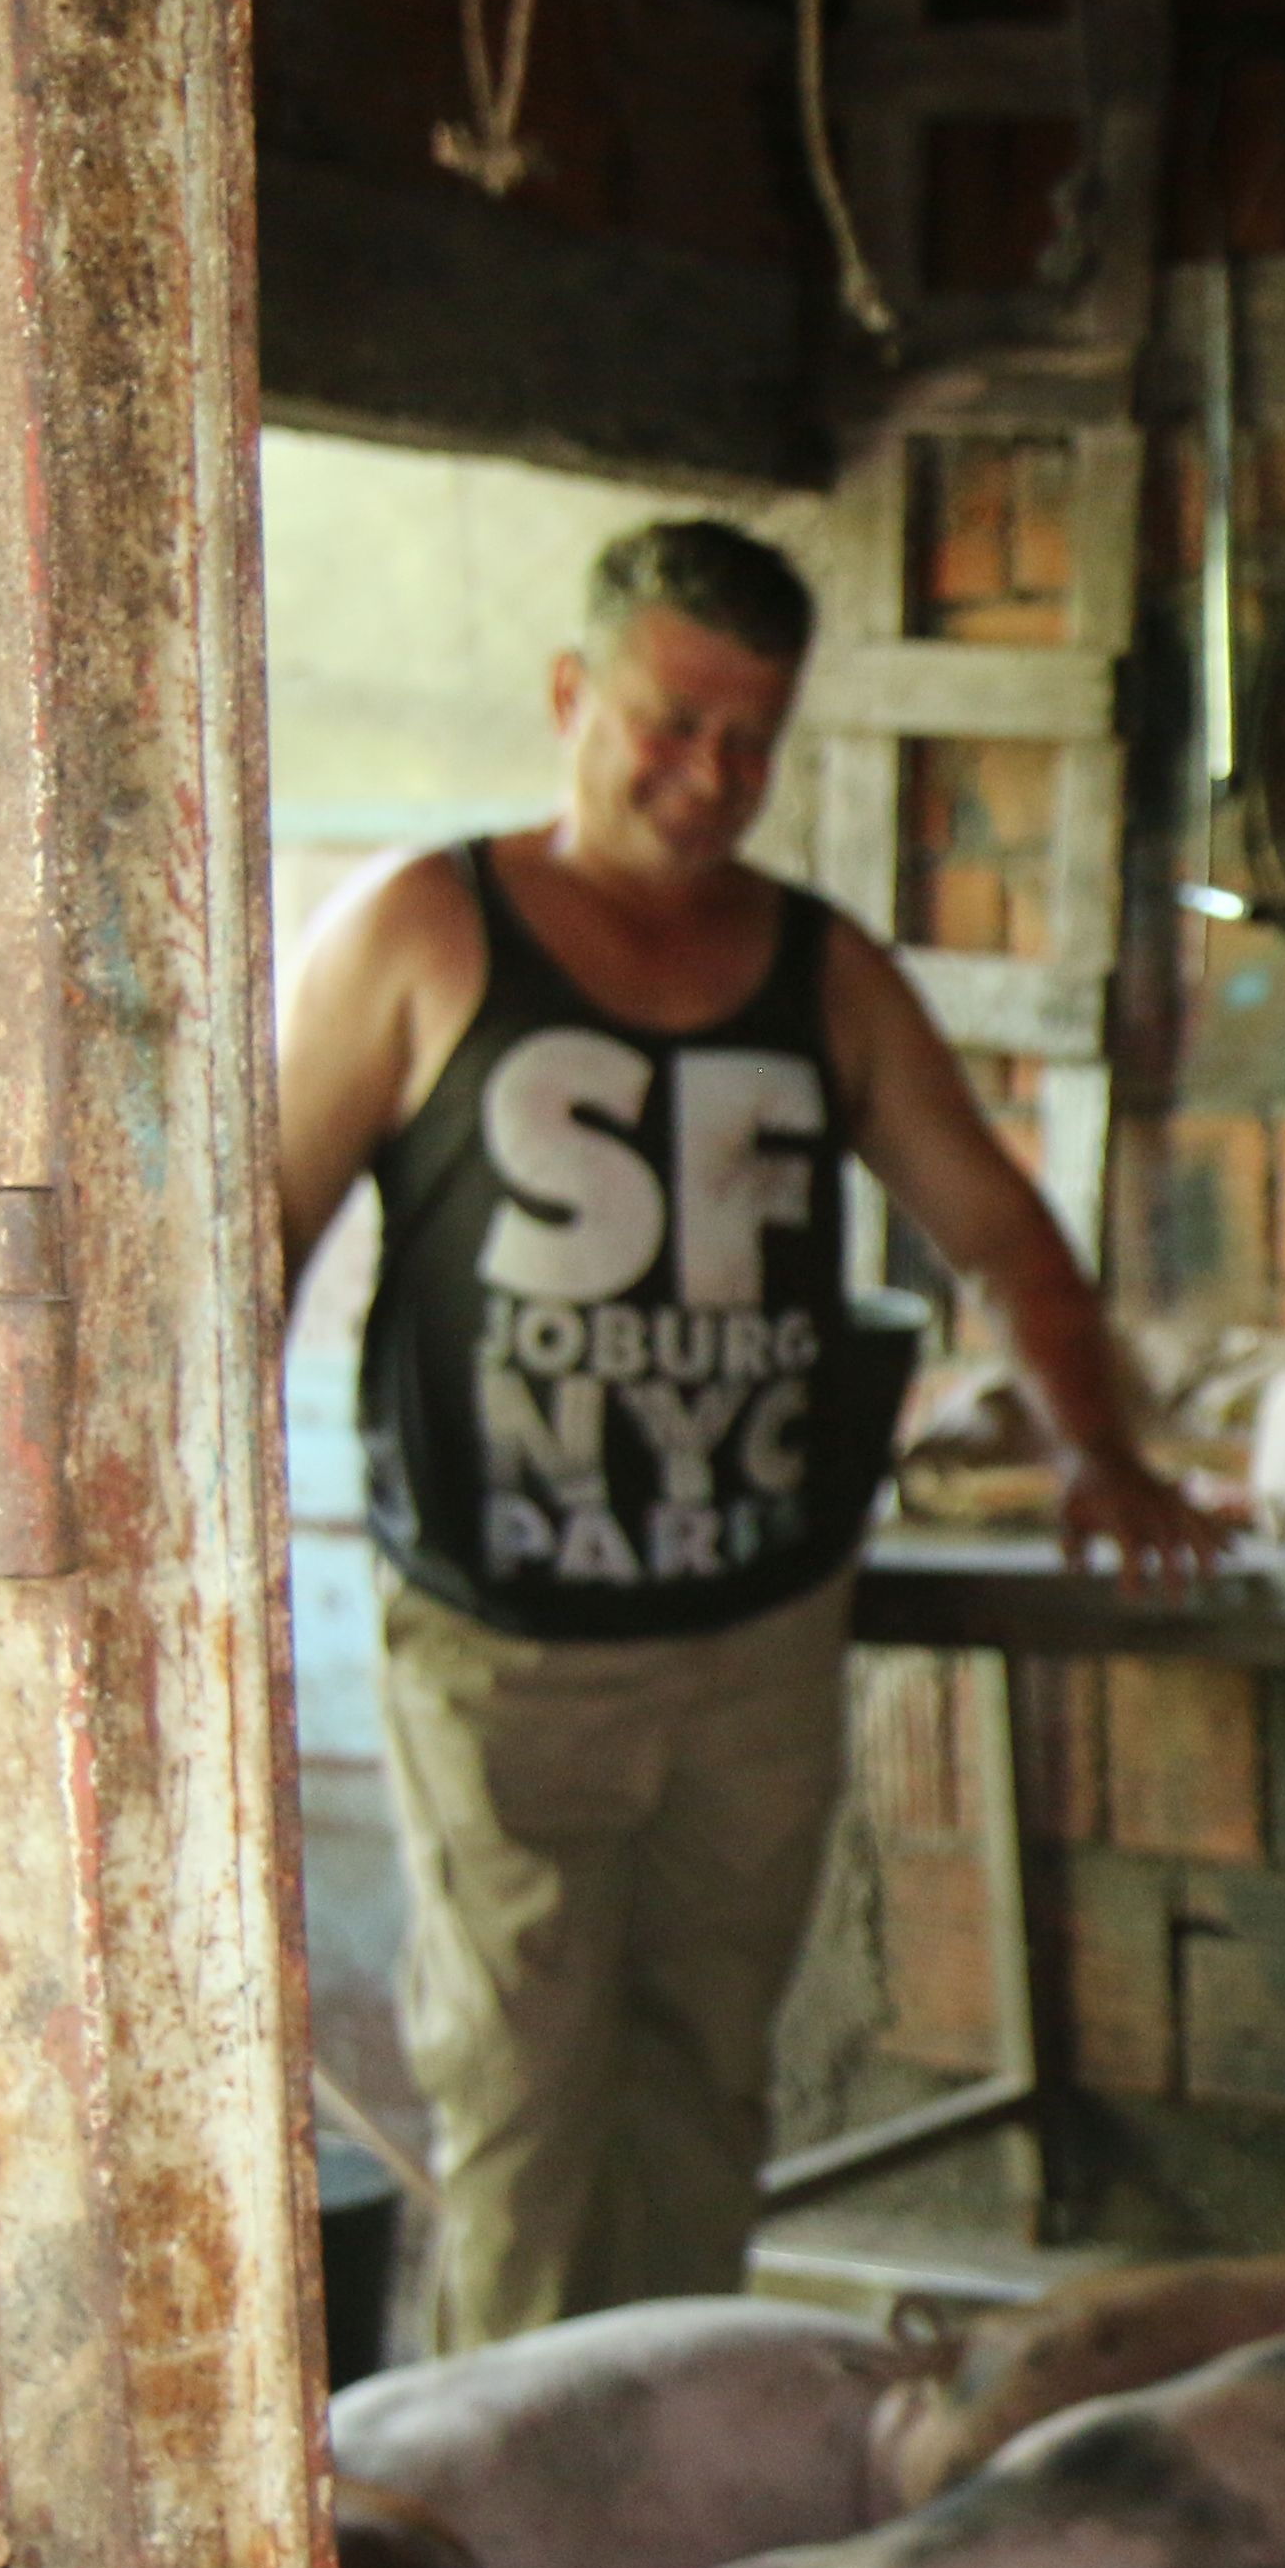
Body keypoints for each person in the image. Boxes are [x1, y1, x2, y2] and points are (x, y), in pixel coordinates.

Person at [276, 518, 1221, 2355]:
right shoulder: (421, 925)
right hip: (509, 1642)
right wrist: (189, 1556)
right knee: (523, 2112)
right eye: (669, 720)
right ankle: (483, 2547)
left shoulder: (822, 969)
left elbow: (1000, 1227)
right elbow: (256, 1237)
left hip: (757, 1641)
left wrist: (1107, 1455)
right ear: (574, 695)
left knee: (705, 2094)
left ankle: (655, 2460)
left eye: (750, 739)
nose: (706, 777)